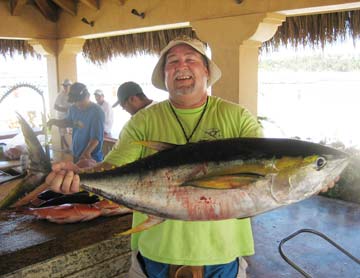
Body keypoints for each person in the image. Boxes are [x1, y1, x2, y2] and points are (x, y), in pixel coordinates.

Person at [45, 37, 337, 278]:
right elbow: (113, 167)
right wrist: (79, 175)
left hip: (222, 258)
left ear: (207, 72)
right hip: (156, 257)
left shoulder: (236, 117)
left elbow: (263, 172)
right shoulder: (143, 121)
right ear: (165, 76)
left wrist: (315, 178)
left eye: (191, 60)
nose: (181, 66)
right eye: (172, 62)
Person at [48, 82, 105, 163]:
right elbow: (68, 122)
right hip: (77, 154)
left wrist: (86, 154)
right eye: (75, 101)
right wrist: (54, 122)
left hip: (91, 157)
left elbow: (95, 139)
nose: (78, 104)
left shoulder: (96, 112)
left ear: (88, 96)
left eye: (80, 101)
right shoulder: (73, 108)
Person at [54, 79, 72, 151]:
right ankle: (64, 147)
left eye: (67, 86)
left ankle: (69, 147)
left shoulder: (72, 95)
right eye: (64, 86)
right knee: (62, 133)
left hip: (70, 116)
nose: (65, 87)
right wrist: (65, 110)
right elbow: (55, 106)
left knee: (71, 131)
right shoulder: (60, 95)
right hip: (61, 116)